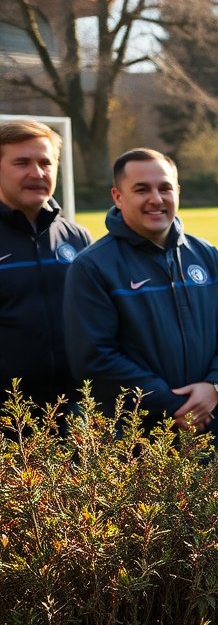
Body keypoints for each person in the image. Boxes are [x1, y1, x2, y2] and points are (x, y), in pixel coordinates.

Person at [63, 148, 218, 442]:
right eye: (141, 189)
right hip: (133, 435)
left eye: (165, 188)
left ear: (178, 192)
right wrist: (174, 406)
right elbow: (94, 356)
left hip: (205, 426)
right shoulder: (93, 266)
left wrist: (215, 385)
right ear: (118, 196)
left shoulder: (206, 255)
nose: (156, 199)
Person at [0, 120, 91, 416]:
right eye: (22, 162)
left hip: (75, 412)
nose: (37, 173)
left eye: (45, 162)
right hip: (8, 417)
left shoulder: (77, 238)